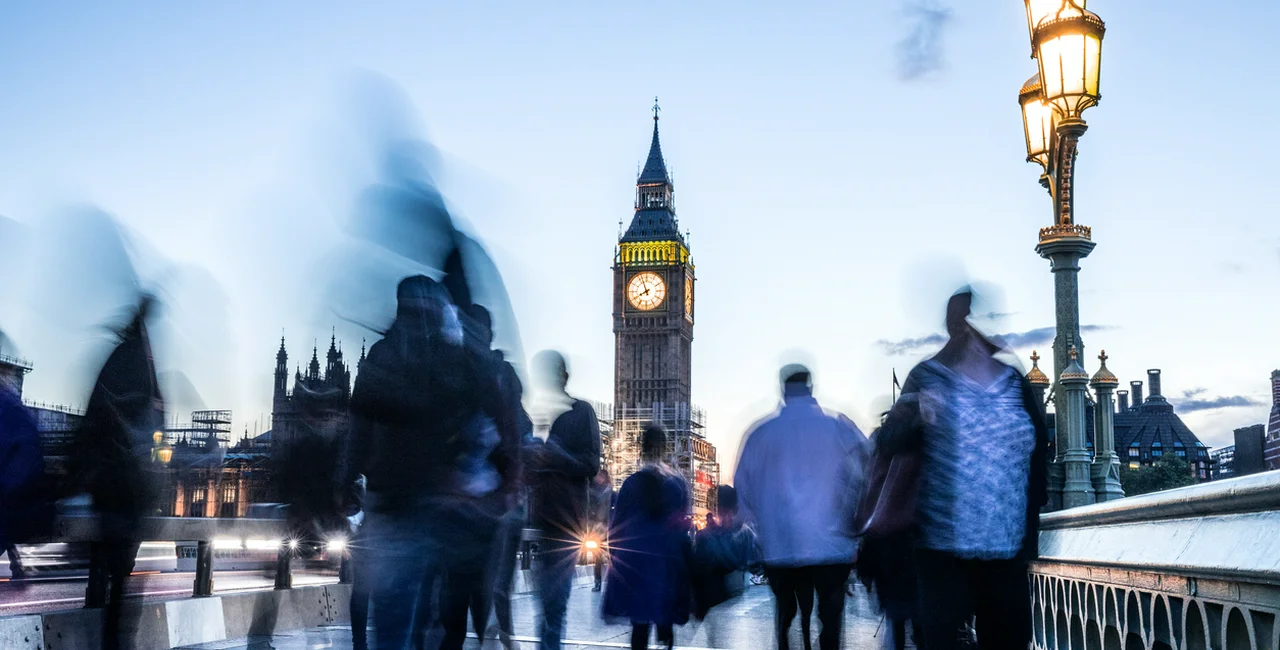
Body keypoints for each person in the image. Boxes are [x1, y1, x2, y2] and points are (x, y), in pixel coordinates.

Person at [875, 288, 1048, 650]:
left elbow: (1038, 458)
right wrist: (916, 414)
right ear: (955, 325)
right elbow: (888, 443)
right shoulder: (927, 377)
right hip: (942, 555)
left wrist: (1029, 538)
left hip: (1006, 554)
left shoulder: (1015, 382)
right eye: (964, 320)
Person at [344, 275, 493, 650]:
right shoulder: (441, 358)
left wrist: (345, 477)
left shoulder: (387, 356)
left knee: (402, 611)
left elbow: (358, 427)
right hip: (416, 502)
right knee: (413, 610)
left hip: (400, 499)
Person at [735, 364, 870, 650]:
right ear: (810, 388)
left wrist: (761, 522)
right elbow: (867, 467)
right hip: (832, 545)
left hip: (781, 545)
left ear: (783, 389)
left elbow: (743, 489)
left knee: (785, 616)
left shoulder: (761, 434)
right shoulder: (838, 428)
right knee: (830, 620)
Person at [69, 297, 166, 650]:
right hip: (130, 493)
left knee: (110, 572)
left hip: (112, 488)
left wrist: (76, 475)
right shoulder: (146, 366)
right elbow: (157, 434)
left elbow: (94, 418)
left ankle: (105, 635)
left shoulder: (120, 360)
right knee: (120, 576)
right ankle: (112, 638)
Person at [526, 350, 601, 650]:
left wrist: (557, 456)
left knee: (554, 608)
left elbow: (591, 463)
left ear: (564, 376)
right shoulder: (532, 412)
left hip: (565, 523)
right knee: (545, 606)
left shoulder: (581, 412)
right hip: (536, 521)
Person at [602, 424, 692, 650]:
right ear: (666, 449)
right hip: (667, 566)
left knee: (639, 628)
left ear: (641, 449)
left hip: (637, 566)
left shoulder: (631, 484)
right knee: (665, 623)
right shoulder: (677, 484)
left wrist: (615, 561)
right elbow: (683, 528)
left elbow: (616, 530)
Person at [588, 468, 614, 592]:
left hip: (609, 528)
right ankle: (597, 582)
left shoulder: (611, 494)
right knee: (597, 556)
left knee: (612, 556)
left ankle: (611, 582)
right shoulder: (594, 492)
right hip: (598, 530)